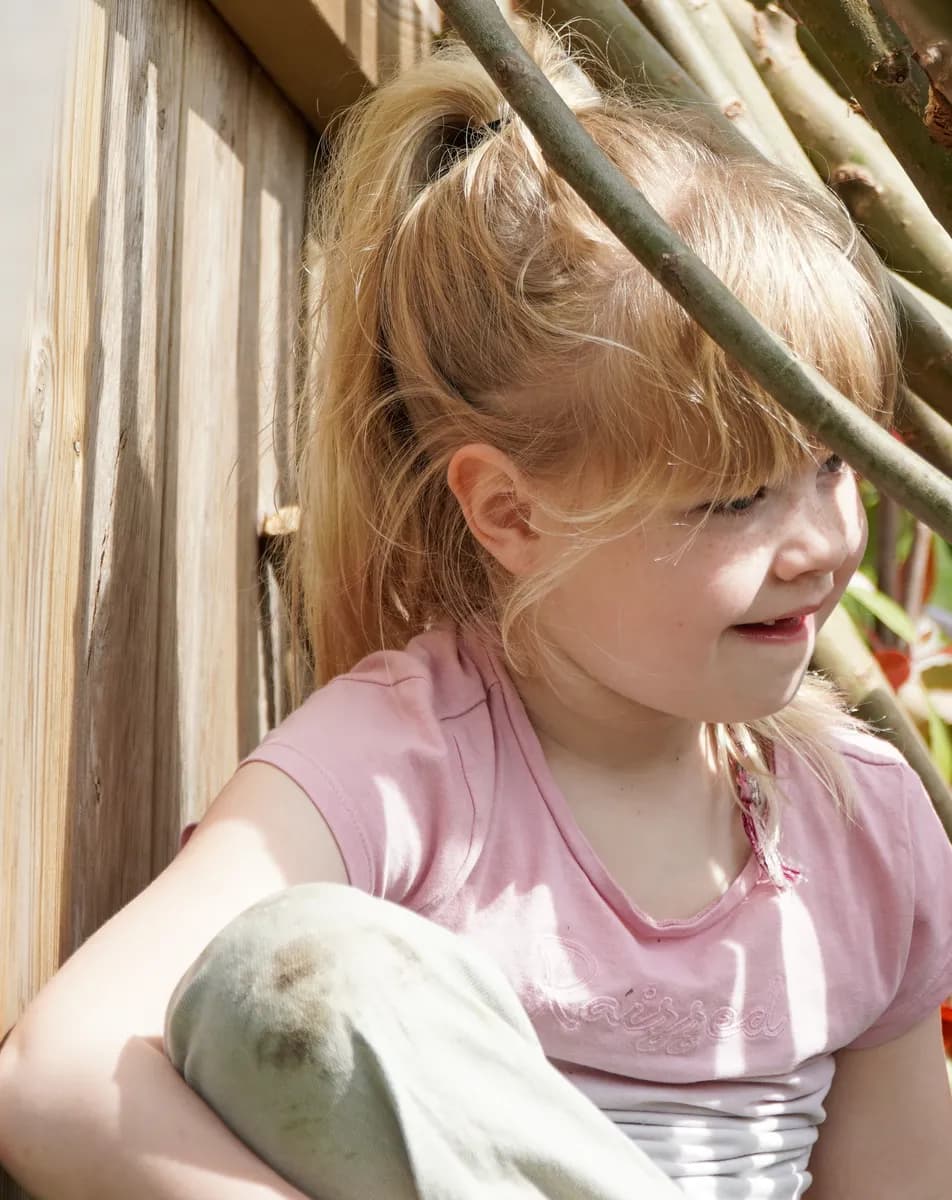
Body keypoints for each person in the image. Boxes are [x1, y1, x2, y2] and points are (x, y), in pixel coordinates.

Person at [2, 19, 951, 1200]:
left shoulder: (862, 823)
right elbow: (57, 1075)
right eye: (730, 500)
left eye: (832, 465)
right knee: (296, 970)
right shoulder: (409, 770)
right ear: (510, 514)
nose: (818, 543)